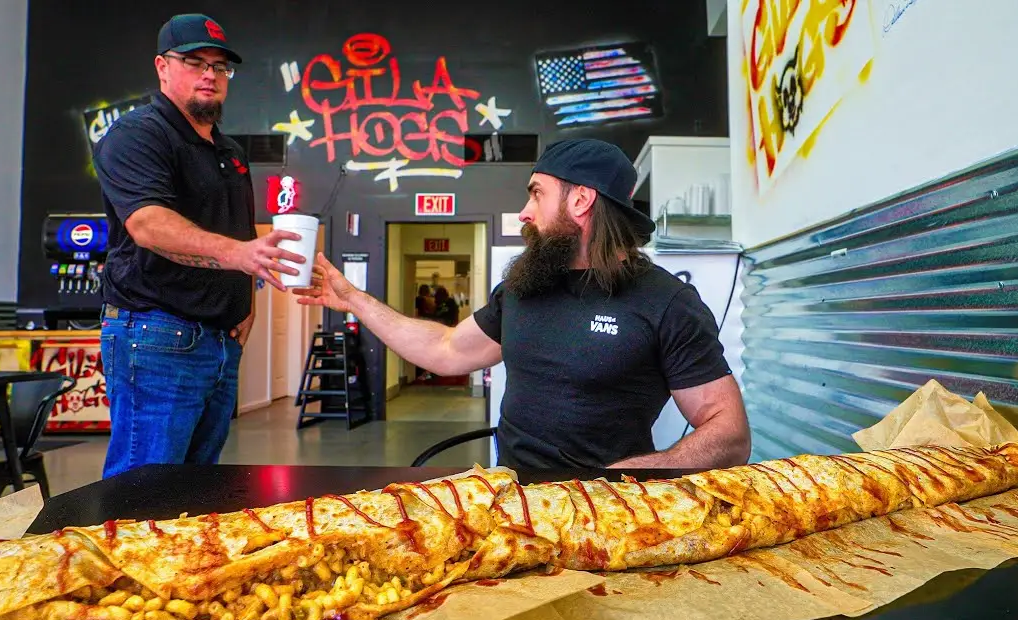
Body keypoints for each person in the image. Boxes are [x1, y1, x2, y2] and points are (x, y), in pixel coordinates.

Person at [296, 138, 752, 469]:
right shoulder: (523, 286)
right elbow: (447, 347)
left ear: (580, 200)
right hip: (513, 506)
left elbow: (728, 431)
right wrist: (353, 299)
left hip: (609, 519)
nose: (524, 211)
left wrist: (632, 479)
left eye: (536, 192)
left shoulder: (665, 301)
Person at [92, 13, 307, 479]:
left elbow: (241, 232)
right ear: (162, 67)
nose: (209, 74)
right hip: (155, 334)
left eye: (220, 66)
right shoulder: (138, 135)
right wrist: (240, 257)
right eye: (194, 61)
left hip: (220, 342)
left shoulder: (229, 152)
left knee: (194, 485)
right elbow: (148, 224)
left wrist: (245, 301)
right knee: (143, 488)